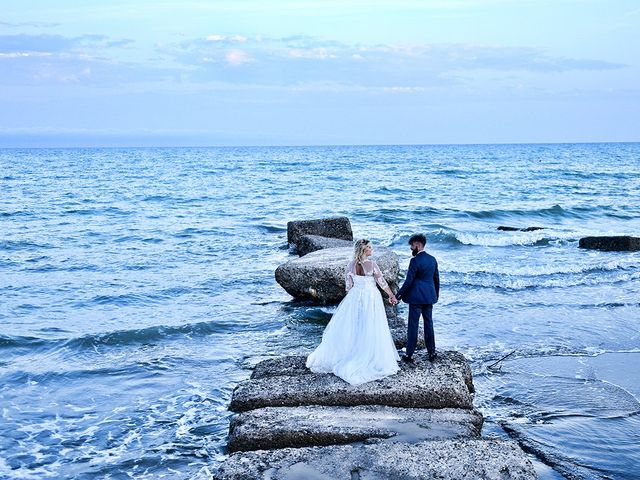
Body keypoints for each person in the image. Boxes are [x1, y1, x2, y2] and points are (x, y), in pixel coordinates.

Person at [306, 239, 400, 385]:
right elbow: (382, 283)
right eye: (369, 248)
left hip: (355, 297)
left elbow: (348, 287)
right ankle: (367, 353)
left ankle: (352, 350)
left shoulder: (350, 265)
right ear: (363, 250)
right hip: (371, 297)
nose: (371, 249)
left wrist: (355, 293)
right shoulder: (372, 264)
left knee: (355, 324)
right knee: (371, 323)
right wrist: (391, 295)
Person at [396, 234, 440, 363]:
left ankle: (409, 354)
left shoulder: (414, 261)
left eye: (411, 246)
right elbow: (436, 280)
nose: (411, 249)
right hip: (429, 297)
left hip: (416, 298)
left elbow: (408, 281)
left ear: (417, 244)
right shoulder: (432, 259)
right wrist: (435, 295)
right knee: (429, 323)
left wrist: (398, 295)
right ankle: (432, 352)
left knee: (413, 326)